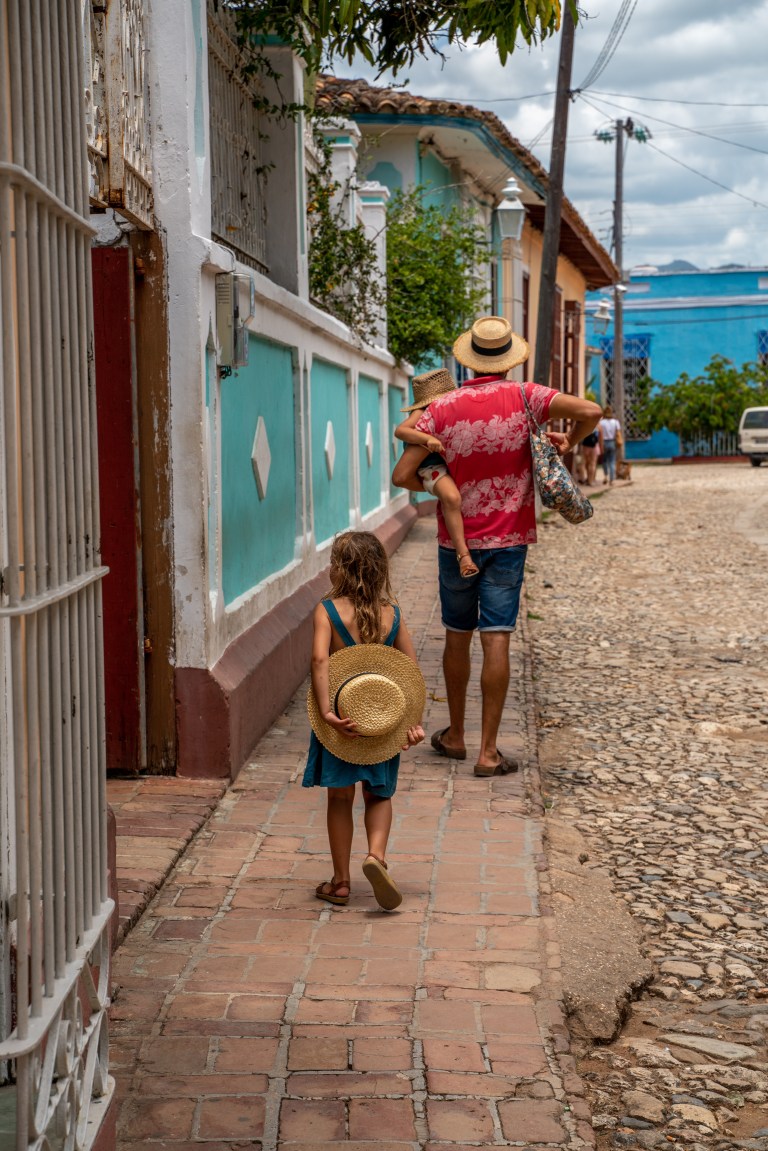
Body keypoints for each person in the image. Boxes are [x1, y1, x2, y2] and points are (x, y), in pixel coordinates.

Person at [391, 315, 601, 777]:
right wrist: (571, 440)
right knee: (498, 636)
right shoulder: (527, 397)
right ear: (509, 359)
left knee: (457, 635)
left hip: (456, 542)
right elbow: (591, 412)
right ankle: (489, 752)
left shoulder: (443, 407)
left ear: (469, 357)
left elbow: (402, 474)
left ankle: (457, 736)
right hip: (509, 540)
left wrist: (439, 481)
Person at [303, 530, 425, 910]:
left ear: (340, 568)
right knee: (379, 793)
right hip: (381, 720)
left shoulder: (327, 610)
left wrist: (326, 712)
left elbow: (320, 660)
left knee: (340, 798)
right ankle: (376, 856)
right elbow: (410, 671)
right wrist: (412, 721)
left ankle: (340, 883)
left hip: (343, 717)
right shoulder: (393, 612)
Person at [395, 368, 479, 579]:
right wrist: (426, 439)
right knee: (451, 498)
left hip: (443, 465)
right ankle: (464, 555)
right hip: (431, 467)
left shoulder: (449, 411)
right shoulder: (423, 411)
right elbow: (401, 431)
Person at [598, 404, 622, 485]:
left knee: (604, 461)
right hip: (612, 442)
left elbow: (599, 434)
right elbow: (618, 433)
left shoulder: (601, 422)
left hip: (603, 442)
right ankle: (611, 479)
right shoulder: (615, 422)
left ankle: (605, 476)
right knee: (612, 461)